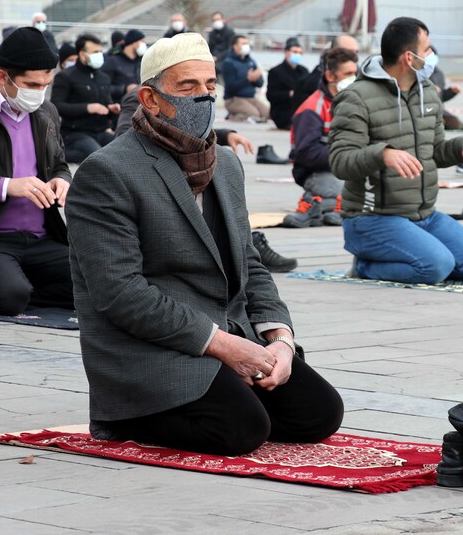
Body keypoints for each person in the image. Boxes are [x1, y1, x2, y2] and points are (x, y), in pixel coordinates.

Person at [65, 32, 343, 454]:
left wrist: (280, 339)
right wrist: (222, 345)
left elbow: (249, 261)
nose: (204, 99)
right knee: (241, 430)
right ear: (151, 98)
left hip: (230, 330)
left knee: (319, 414)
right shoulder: (107, 172)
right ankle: (124, 418)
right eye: (187, 87)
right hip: (153, 344)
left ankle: (227, 384)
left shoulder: (225, 164)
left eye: (210, 87)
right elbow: (119, 293)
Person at [329, 17, 463, 284]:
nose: (431, 55)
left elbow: (436, 150)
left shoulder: (427, 91)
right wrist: (382, 154)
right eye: (427, 49)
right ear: (409, 57)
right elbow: (339, 161)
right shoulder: (356, 97)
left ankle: (410, 252)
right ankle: (365, 267)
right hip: (371, 218)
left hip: (423, 215)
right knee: (435, 266)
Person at [0, 27, 73, 316]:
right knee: (9, 297)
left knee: (98, 282)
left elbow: (59, 163)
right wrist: (7, 186)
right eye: (32, 84)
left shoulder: (47, 112)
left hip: (42, 237)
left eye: (46, 84)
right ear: (2, 77)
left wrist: (62, 179)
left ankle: (19, 284)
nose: (40, 92)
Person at [287, 47, 358, 227]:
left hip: (347, 167)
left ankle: (324, 206)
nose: (353, 78)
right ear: (330, 76)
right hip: (317, 172)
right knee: (358, 196)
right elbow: (306, 154)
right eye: (348, 74)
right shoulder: (312, 108)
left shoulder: (353, 102)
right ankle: (316, 203)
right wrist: (346, 153)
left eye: (355, 73)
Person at [50, 33, 121, 164]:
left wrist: (112, 109)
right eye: (95, 52)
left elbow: (107, 103)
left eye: (100, 51)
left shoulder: (103, 77)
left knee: (121, 152)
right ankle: (57, 156)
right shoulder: (65, 76)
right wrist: (88, 108)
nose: (99, 55)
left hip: (100, 131)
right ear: (82, 55)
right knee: (99, 157)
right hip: (75, 132)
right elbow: (56, 105)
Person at [297, 34, 360, 109]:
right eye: (349, 52)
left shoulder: (360, 78)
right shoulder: (310, 85)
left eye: (356, 52)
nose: (354, 57)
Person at [222, 34, 270, 123]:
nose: (246, 46)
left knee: (268, 114)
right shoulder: (228, 63)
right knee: (254, 115)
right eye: (243, 43)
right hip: (234, 99)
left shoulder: (251, 61)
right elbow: (231, 87)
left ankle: (239, 113)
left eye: (247, 43)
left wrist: (256, 78)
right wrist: (247, 79)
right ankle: (232, 116)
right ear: (235, 46)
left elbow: (260, 84)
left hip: (250, 97)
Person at [267, 37, 309, 129]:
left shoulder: (304, 71)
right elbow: (271, 95)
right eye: (294, 52)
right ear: (286, 52)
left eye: (300, 53)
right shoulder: (276, 72)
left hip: (300, 108)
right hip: (283, 111)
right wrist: (289, 94)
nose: (297, 55)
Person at [102, 29, 146, 103]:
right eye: (142, 42)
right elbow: (102, 87)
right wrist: (124, 89)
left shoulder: (140, 61)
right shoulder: (112, 61)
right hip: (120, 106)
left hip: (138, 105)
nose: (144, 45)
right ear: (134, 43)